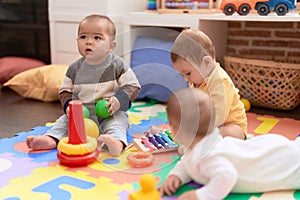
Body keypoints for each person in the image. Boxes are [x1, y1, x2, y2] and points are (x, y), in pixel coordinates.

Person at [26, 14, 141, 156]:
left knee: (117, 123)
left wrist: (118, 101)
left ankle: (116, 143)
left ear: (111, 46)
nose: (89, 42)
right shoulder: (74, 69)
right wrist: (70, 106)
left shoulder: (117, 65)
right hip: (82, 115)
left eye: (97, 38)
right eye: (83, 37)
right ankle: (51, 138)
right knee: (63, 122)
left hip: (109, 113)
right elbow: (65, 91)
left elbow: (132, 86)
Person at [159, 88, 300, 200]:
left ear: (177, 130)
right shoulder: (201, 146)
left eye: (171, 125)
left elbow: (227, 175)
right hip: (273, 150)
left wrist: (201, 196)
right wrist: (176, 176)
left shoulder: (208, 157)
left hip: (285, 164)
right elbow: (187, 162)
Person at [170, 28, 247, 140]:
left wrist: (198, 130)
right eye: (183, 75)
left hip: (230, 124)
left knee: (230, 133)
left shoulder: (220, 81)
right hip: (209, 125)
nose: (186, 79)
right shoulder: (197, 80)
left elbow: (219, 116)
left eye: (188, 73)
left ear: (206, 62)